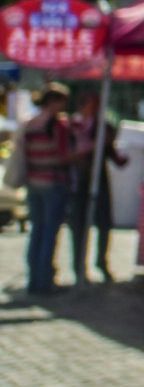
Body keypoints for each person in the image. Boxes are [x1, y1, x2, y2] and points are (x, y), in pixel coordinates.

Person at [14, 87, 79, 296]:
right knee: (49, 233)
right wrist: (86, 149)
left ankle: (34, 280)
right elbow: (63, 156)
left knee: (37, 232)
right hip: (53, 181)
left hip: (33, 182)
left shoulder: (30, 123)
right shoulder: (56, 124)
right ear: (53, 101)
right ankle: (44, 283)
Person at [68, 92, 129, 284]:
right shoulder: (72, 127)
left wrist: (123, 158)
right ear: (81, 106)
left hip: (100, 181)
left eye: (98, 105)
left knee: (104, 223)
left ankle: (101, 261)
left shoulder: (105, 127)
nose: (95, 109)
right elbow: (70, 154)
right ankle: (78, 266)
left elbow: (114, 156)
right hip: (80, 182)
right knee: (78, 226)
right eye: (91, 105)